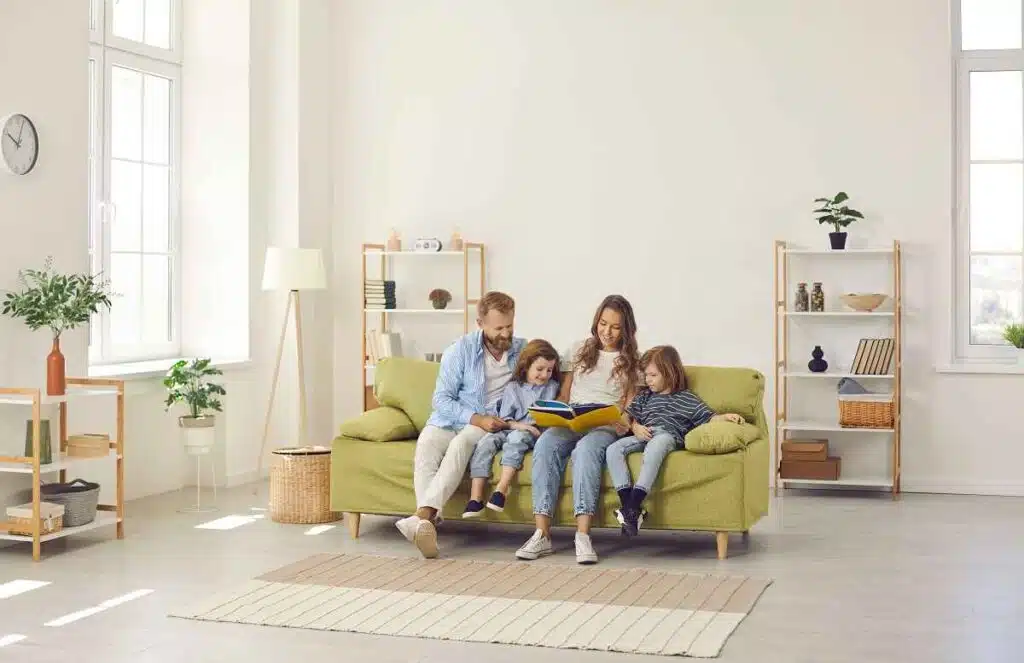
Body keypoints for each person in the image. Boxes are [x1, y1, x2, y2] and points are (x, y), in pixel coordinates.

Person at [395, 291, 525, 558]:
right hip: (457, 417)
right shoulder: (460, 350)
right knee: (427, 443)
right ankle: (426, 522)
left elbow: (550, 366)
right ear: (480, 324)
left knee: (461, 444)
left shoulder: (522, 351)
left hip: (486, 422)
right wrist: (475, 418)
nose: (505, 333)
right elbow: (441, 399)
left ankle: (422, 519)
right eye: (498, 328)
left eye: (509, 326)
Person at [515, 294, 641, 564]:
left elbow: (630, 405)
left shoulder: (632, 361)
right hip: (574, 419)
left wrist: (622, 420)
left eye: (615, 327)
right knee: (546, 444)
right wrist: (554, 413)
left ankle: (582, 536)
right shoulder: (579, 349)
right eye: (603, 323)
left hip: (604, 424)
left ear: (626, 330)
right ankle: (541, 534)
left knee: (585, 451)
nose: (607, 331)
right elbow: (565, 394)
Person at [606, 345, 745, 536]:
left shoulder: (687, 398)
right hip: (644, 433)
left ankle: (633, 504)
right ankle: (630, 509)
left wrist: (725, 417)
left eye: (653, 375)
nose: (648, 380)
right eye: (646, 375)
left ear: (669, 372)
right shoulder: (645, 396)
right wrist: (635, 428)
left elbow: (708, 417)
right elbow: (628, 418)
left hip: (667, 436)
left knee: (656, 446)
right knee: (613, 449)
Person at [462, 339, 560, 518]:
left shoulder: (552, 388)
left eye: (549, 370)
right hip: (510, 427)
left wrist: (529, 428)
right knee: (486, 442)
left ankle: (501, 490)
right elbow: (505, 420)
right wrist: (519, 425)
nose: (544, 374)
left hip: (532, 433)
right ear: (526, 366)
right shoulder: (513, 388)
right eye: (539, 369)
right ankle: (475, 499)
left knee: (517, 439)